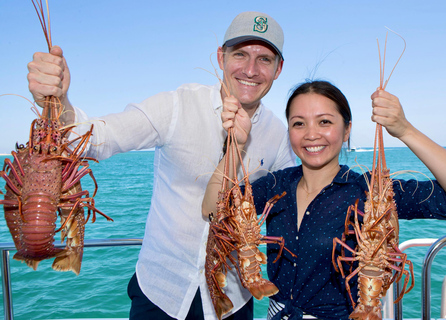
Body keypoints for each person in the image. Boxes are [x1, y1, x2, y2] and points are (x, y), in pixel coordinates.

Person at [27, 11, 297, 320]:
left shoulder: (279, 135)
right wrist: (58, 102)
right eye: (241, 54)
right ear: (221, 57)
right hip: (160, 292)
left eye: (264, 59)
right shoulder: (176, 105)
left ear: (278, 69)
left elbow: (297, 207)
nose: (251, 69)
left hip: (233, 299)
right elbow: (97, 139)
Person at [202, 80, 446, 319]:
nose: (311, 134)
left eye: (325, 122)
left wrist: (404, 130)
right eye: (299, 124)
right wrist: (235, 145)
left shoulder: (369, 190)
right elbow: (212, 209)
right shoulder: (276, 184)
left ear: (347, 130)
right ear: (289, 132)